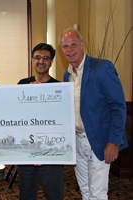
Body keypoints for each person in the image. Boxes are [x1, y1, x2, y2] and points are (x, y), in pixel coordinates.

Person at [59, 28, 128, 199]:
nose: (69, 50)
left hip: (99, 142)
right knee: (85, 190)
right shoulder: (67, 76)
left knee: (97, 193)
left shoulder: (102, 67)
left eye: (73, 45)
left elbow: (118, 106)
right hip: (77, 142)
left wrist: (114, 142)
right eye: (65, 46)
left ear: (82, 45)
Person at [17, 43, 64, 200]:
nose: (41, 61)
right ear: (32, 60)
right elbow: (17, 118)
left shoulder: (59, 88)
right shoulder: (22, 84)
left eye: (46, 58)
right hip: (27, 153)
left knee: (54, 194)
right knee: (26, 195)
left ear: (51, 62)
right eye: (37, 57)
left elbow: (60, 122)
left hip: (51, 153)